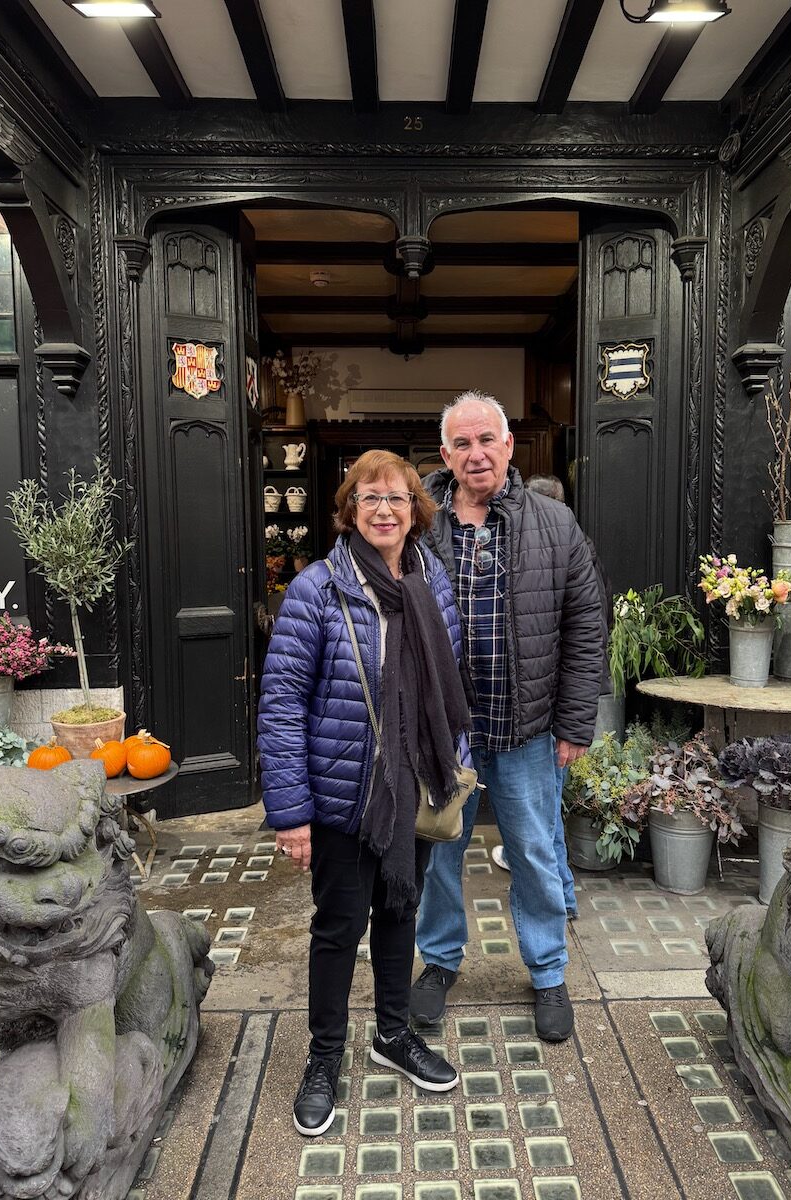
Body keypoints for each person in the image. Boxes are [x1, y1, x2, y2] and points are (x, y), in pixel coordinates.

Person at [258, 450, 469, 1136]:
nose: (384, 510)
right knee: (339, 929)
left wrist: (454, 769)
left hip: (415, 791)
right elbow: (282, 705)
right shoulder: (317, 590)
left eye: (397, 498)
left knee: (401, 913)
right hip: (344, 798)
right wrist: (291, 814)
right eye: (369, 498)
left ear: (416, 512)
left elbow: (448, 687)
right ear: (349, 511)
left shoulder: (432, 582)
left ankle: (392, 1034)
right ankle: (324, 1057)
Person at [411, 392, 606, 1043]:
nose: (476, 454)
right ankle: (439, 962)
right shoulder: (416, 524)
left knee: (534, 851)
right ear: (446, 455)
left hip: (526, 728)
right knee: (440, 853)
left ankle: (548, 971)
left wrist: (575, 723)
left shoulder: (555, 523)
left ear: (508, 445)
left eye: (486, 440)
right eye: (462, 444)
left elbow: (586, 626)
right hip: (446, 734)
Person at [491, 472, 614, 909]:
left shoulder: (565, 543)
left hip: (544, 710)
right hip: (539, 707)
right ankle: (562, 891)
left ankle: (561, 894)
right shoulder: (578, 545)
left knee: (543, 820)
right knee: (546, 815)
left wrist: (573, 719)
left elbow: (588, 630)